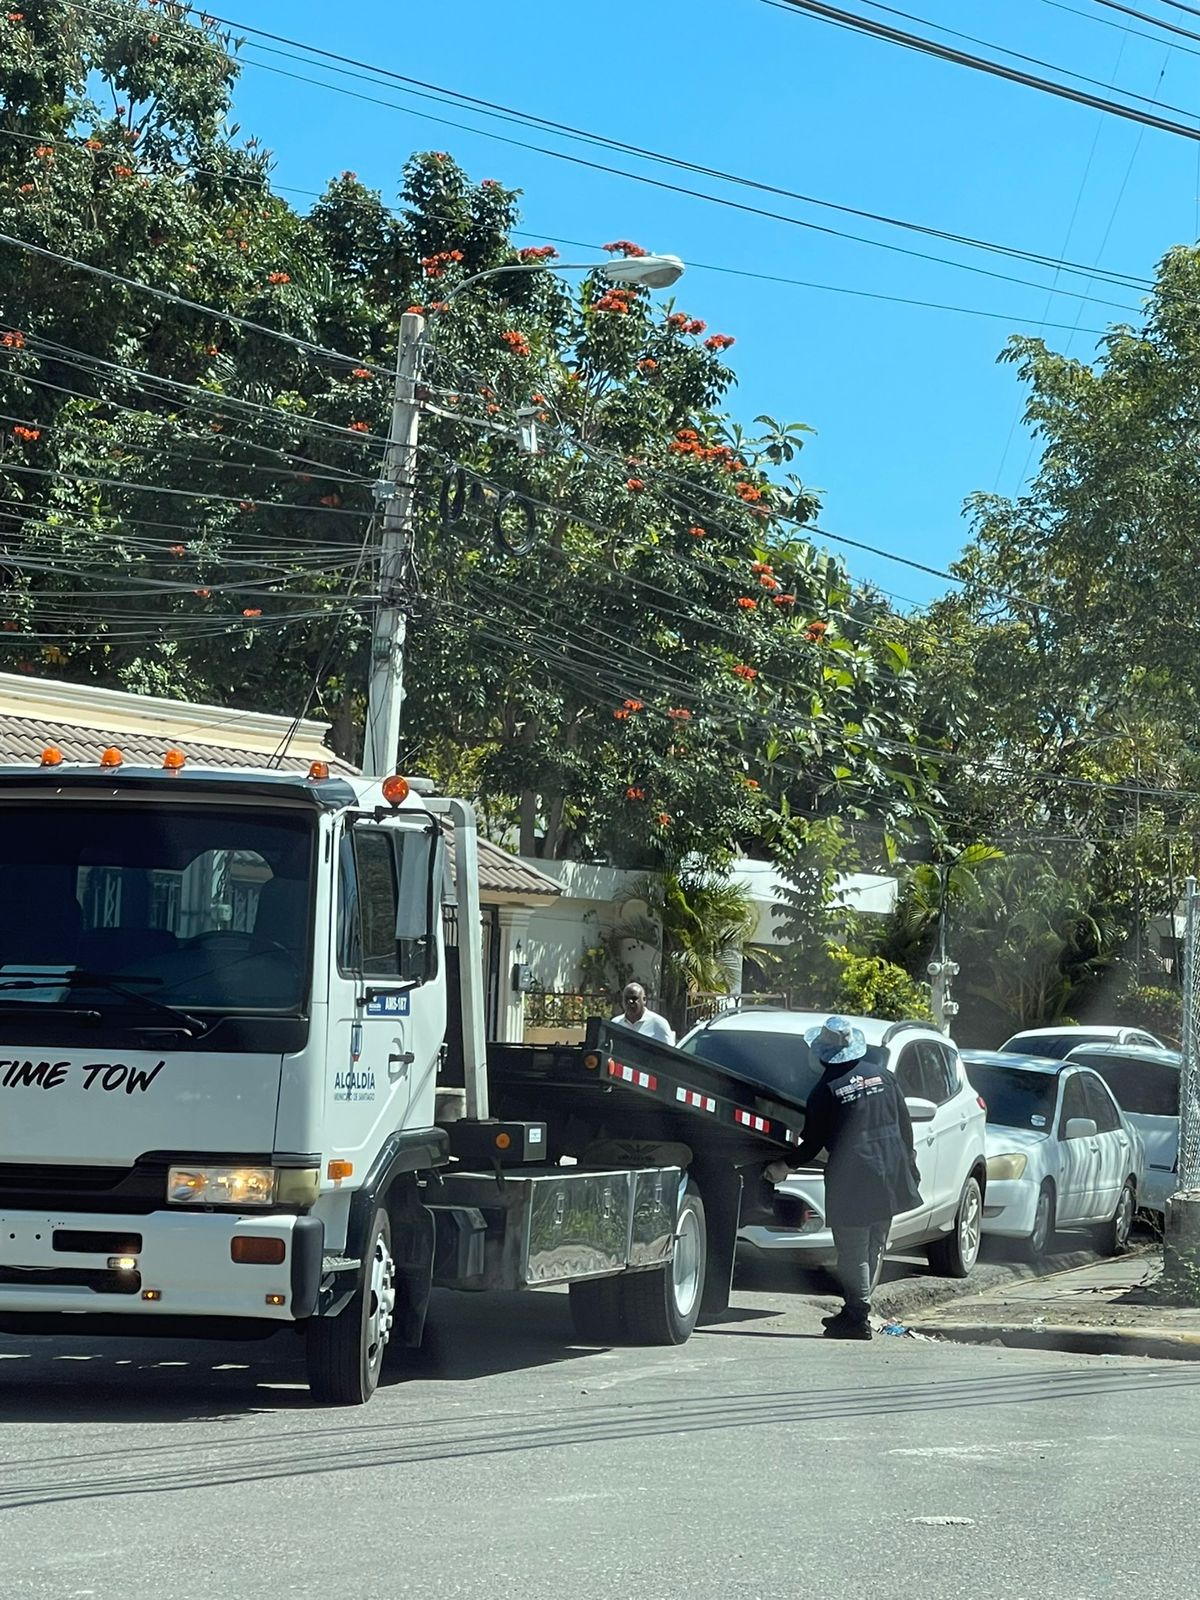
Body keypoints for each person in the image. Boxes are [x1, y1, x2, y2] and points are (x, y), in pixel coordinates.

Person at [764, 1016, 921, 1341]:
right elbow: (904, 1126)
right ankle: (856, 1309)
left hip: (854, 1178)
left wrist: (784, 1166)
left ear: (821, 1054)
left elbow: (813, 1144)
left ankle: (857, 1316)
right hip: (891, 1173)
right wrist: (910, 1164)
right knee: (874, 1243)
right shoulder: (883, 1077)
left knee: (853, 1249)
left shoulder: (826, 1091)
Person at [611, 982, 676, 1046]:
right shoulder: (615, 1024)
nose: (630, 1002)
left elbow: (670, 1051)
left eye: (634, 998)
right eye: (626, 998)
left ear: (644, 1000)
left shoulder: (659, 1024)